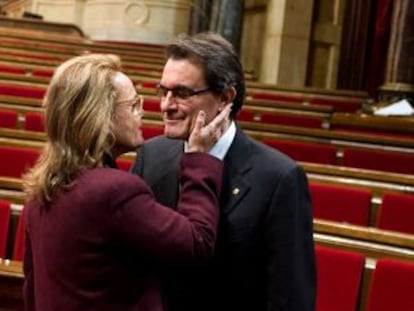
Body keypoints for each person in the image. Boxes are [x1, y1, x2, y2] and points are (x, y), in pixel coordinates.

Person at [22, 53, 232, 311]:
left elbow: (32, 289)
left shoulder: (41, 191)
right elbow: (197, 241)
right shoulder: (114, 191)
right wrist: (199, 159)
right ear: (102, 117)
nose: (143, 112)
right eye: (133, 105)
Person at [132, 32, 316, 311]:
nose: (166, 105)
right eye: (163, 91)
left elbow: (290, 298)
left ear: (225, 98)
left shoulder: (280, 177)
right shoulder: (151, 155)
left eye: (181, 93)